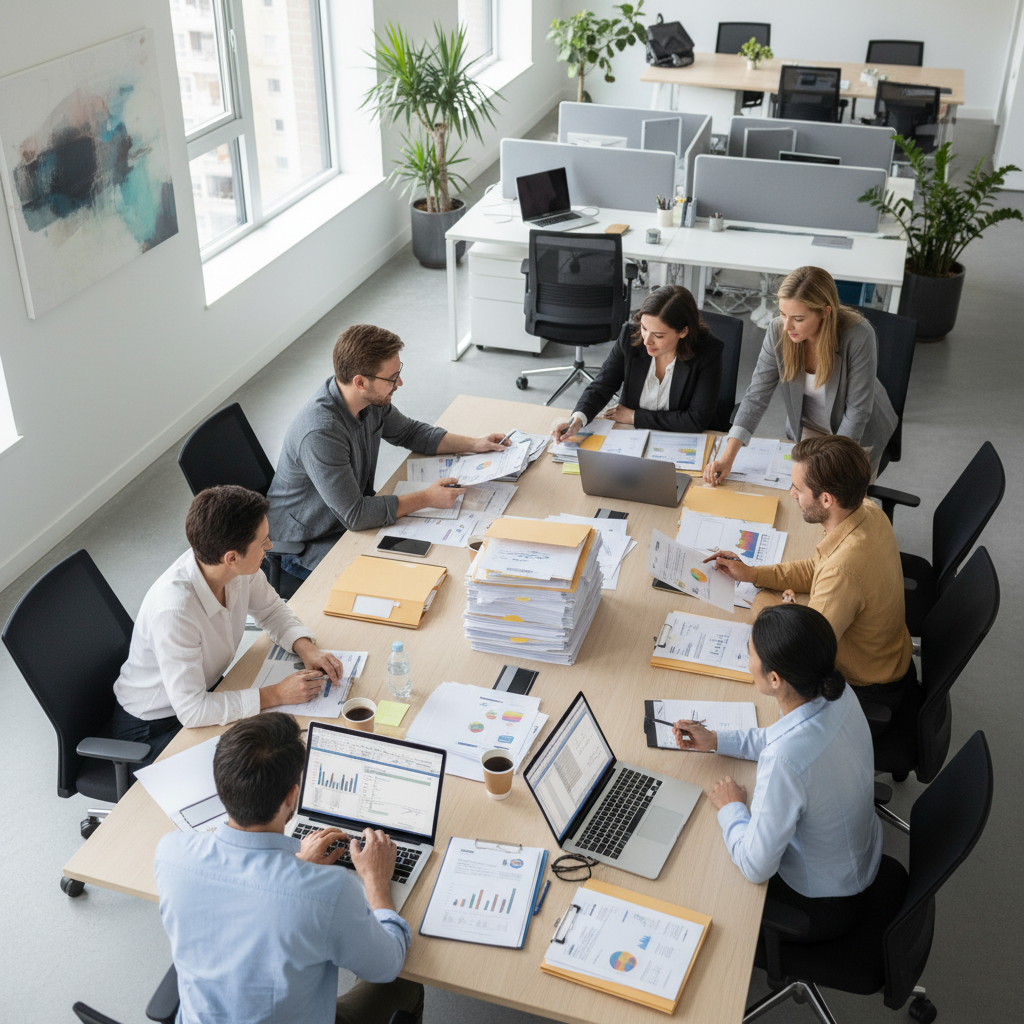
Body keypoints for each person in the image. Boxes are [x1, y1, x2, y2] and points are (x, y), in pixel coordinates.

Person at [155, 713, 423, 1024]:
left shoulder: (170, 854)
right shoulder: (330, 891)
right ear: (292, 796)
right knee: (405, 985)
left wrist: (295, 869)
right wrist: (376, 883)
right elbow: (387, 965)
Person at [673, 604, 881, 942]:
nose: (747, 657)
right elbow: (781, 736)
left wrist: (732, 808)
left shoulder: (785, 761)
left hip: (825, 905)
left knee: (699, 882)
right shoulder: (836, 693)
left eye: (749, 652)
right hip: (857, 858)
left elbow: (756, 867)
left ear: (774, 679)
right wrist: (715, 740)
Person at [113, 485, 340, 766]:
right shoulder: (175, 610)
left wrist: (306, 649)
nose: (270, 547)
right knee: (265, 763)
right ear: (231, 558)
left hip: (206, 693)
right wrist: (278, 693)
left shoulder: (235, 567)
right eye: (263, 542)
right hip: (155, 727)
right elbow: (193, 711)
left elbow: (271, 610)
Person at [267, 323, 509, 577]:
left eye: (398, 372)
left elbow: (410, 433)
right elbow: (357, 515)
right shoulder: (321, 433)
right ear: (360, 382)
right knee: (401, 577)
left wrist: (475, 444)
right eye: (392, 378)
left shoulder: (370, 400)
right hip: (307, 542)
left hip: (345, 518)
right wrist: (427, 498)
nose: (399, 383)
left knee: (433, 557)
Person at [705, 435, 914, 710]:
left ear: (826, 499)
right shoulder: (867, 511)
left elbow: (800, 657)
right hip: (889, 655)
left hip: (869, 689)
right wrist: (755, 574)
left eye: (797, 488)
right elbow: (817, 568)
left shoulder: (843, 571)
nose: (792, 493)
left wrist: (764, 605)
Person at [703, 266, 896, 484]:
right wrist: (727, 458)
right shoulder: (778, 330)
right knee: (799, 495)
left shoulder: (859, 335)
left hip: (856, 436)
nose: (786, 326)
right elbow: (756, 395)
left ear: (825, 312)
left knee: (835, 498)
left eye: (798, 318)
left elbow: (857, 413)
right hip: (809, 429)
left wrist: (831, 466)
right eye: (783, 314)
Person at [551, 285, 723, 442]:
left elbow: (695, 420)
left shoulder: (708, 351)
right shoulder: (630, 336)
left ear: (683, 331)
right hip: (631, 437)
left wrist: (634, 416)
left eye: (658, 335)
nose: (647, 341)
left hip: (681, 440)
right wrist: (578, 418)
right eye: (644, 328)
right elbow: (602, 385)